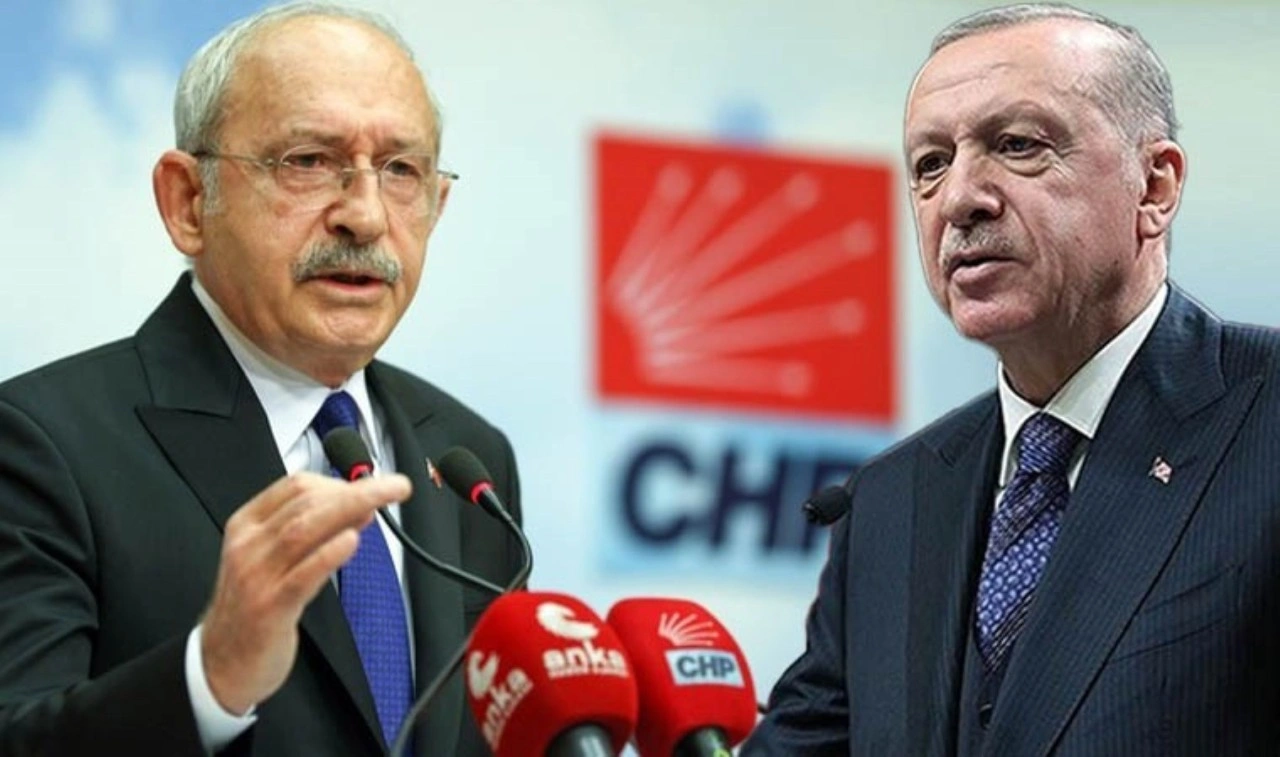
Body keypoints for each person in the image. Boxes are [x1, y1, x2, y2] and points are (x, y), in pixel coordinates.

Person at [744, 4, 1279, 755]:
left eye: (1018, 145)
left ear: (1154, 187)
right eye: (931, 164)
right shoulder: (889, 503)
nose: (960, 199)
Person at [0, 3, 522, 755]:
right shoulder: (41, 445)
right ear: (188, 202)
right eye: (308, 161)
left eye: (401, 170)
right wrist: (209, 679)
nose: (365, 216)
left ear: (437, 205)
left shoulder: (471, 460)